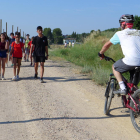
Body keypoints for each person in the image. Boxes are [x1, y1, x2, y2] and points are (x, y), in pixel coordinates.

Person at [98, 14, 140, 95]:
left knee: (115, 67)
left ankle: (122, 88)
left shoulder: (120, 34)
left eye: (121, 24)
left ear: (123, 24)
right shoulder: (139, 32)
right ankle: (137, 104)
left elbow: (106, 45)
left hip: (130, 61)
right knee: (133, 86)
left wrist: (101, 53)